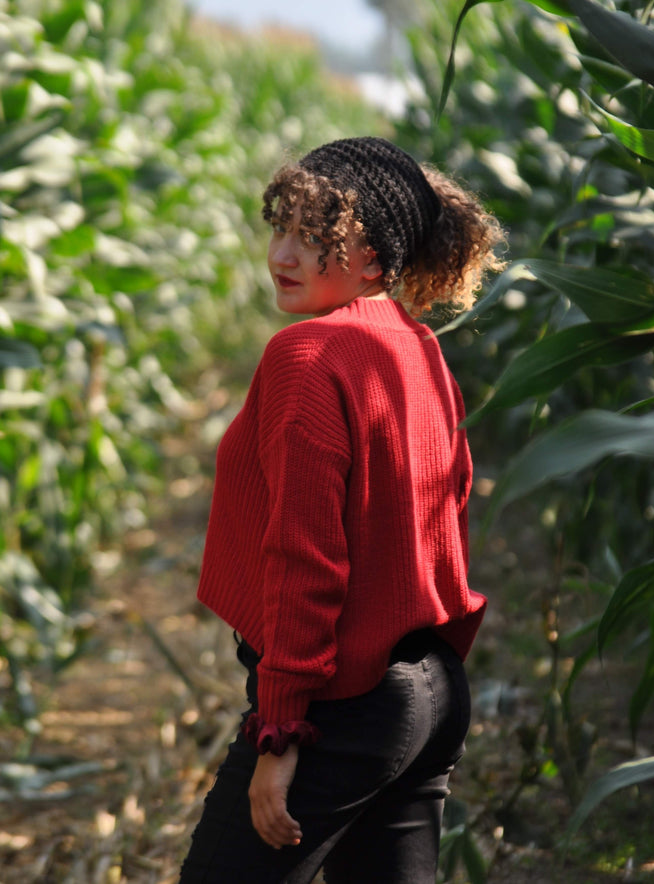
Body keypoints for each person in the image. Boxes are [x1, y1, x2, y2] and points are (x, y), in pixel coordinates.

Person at [179, 136, 503, 884]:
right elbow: (445, 512)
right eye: (281, 228)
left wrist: (281, 731)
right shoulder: (418, 346)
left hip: (339, 706)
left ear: (376, 261)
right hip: (431, 690)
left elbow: (306, 558)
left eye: (318, 238)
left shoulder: (308, 356)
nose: (284, 254)